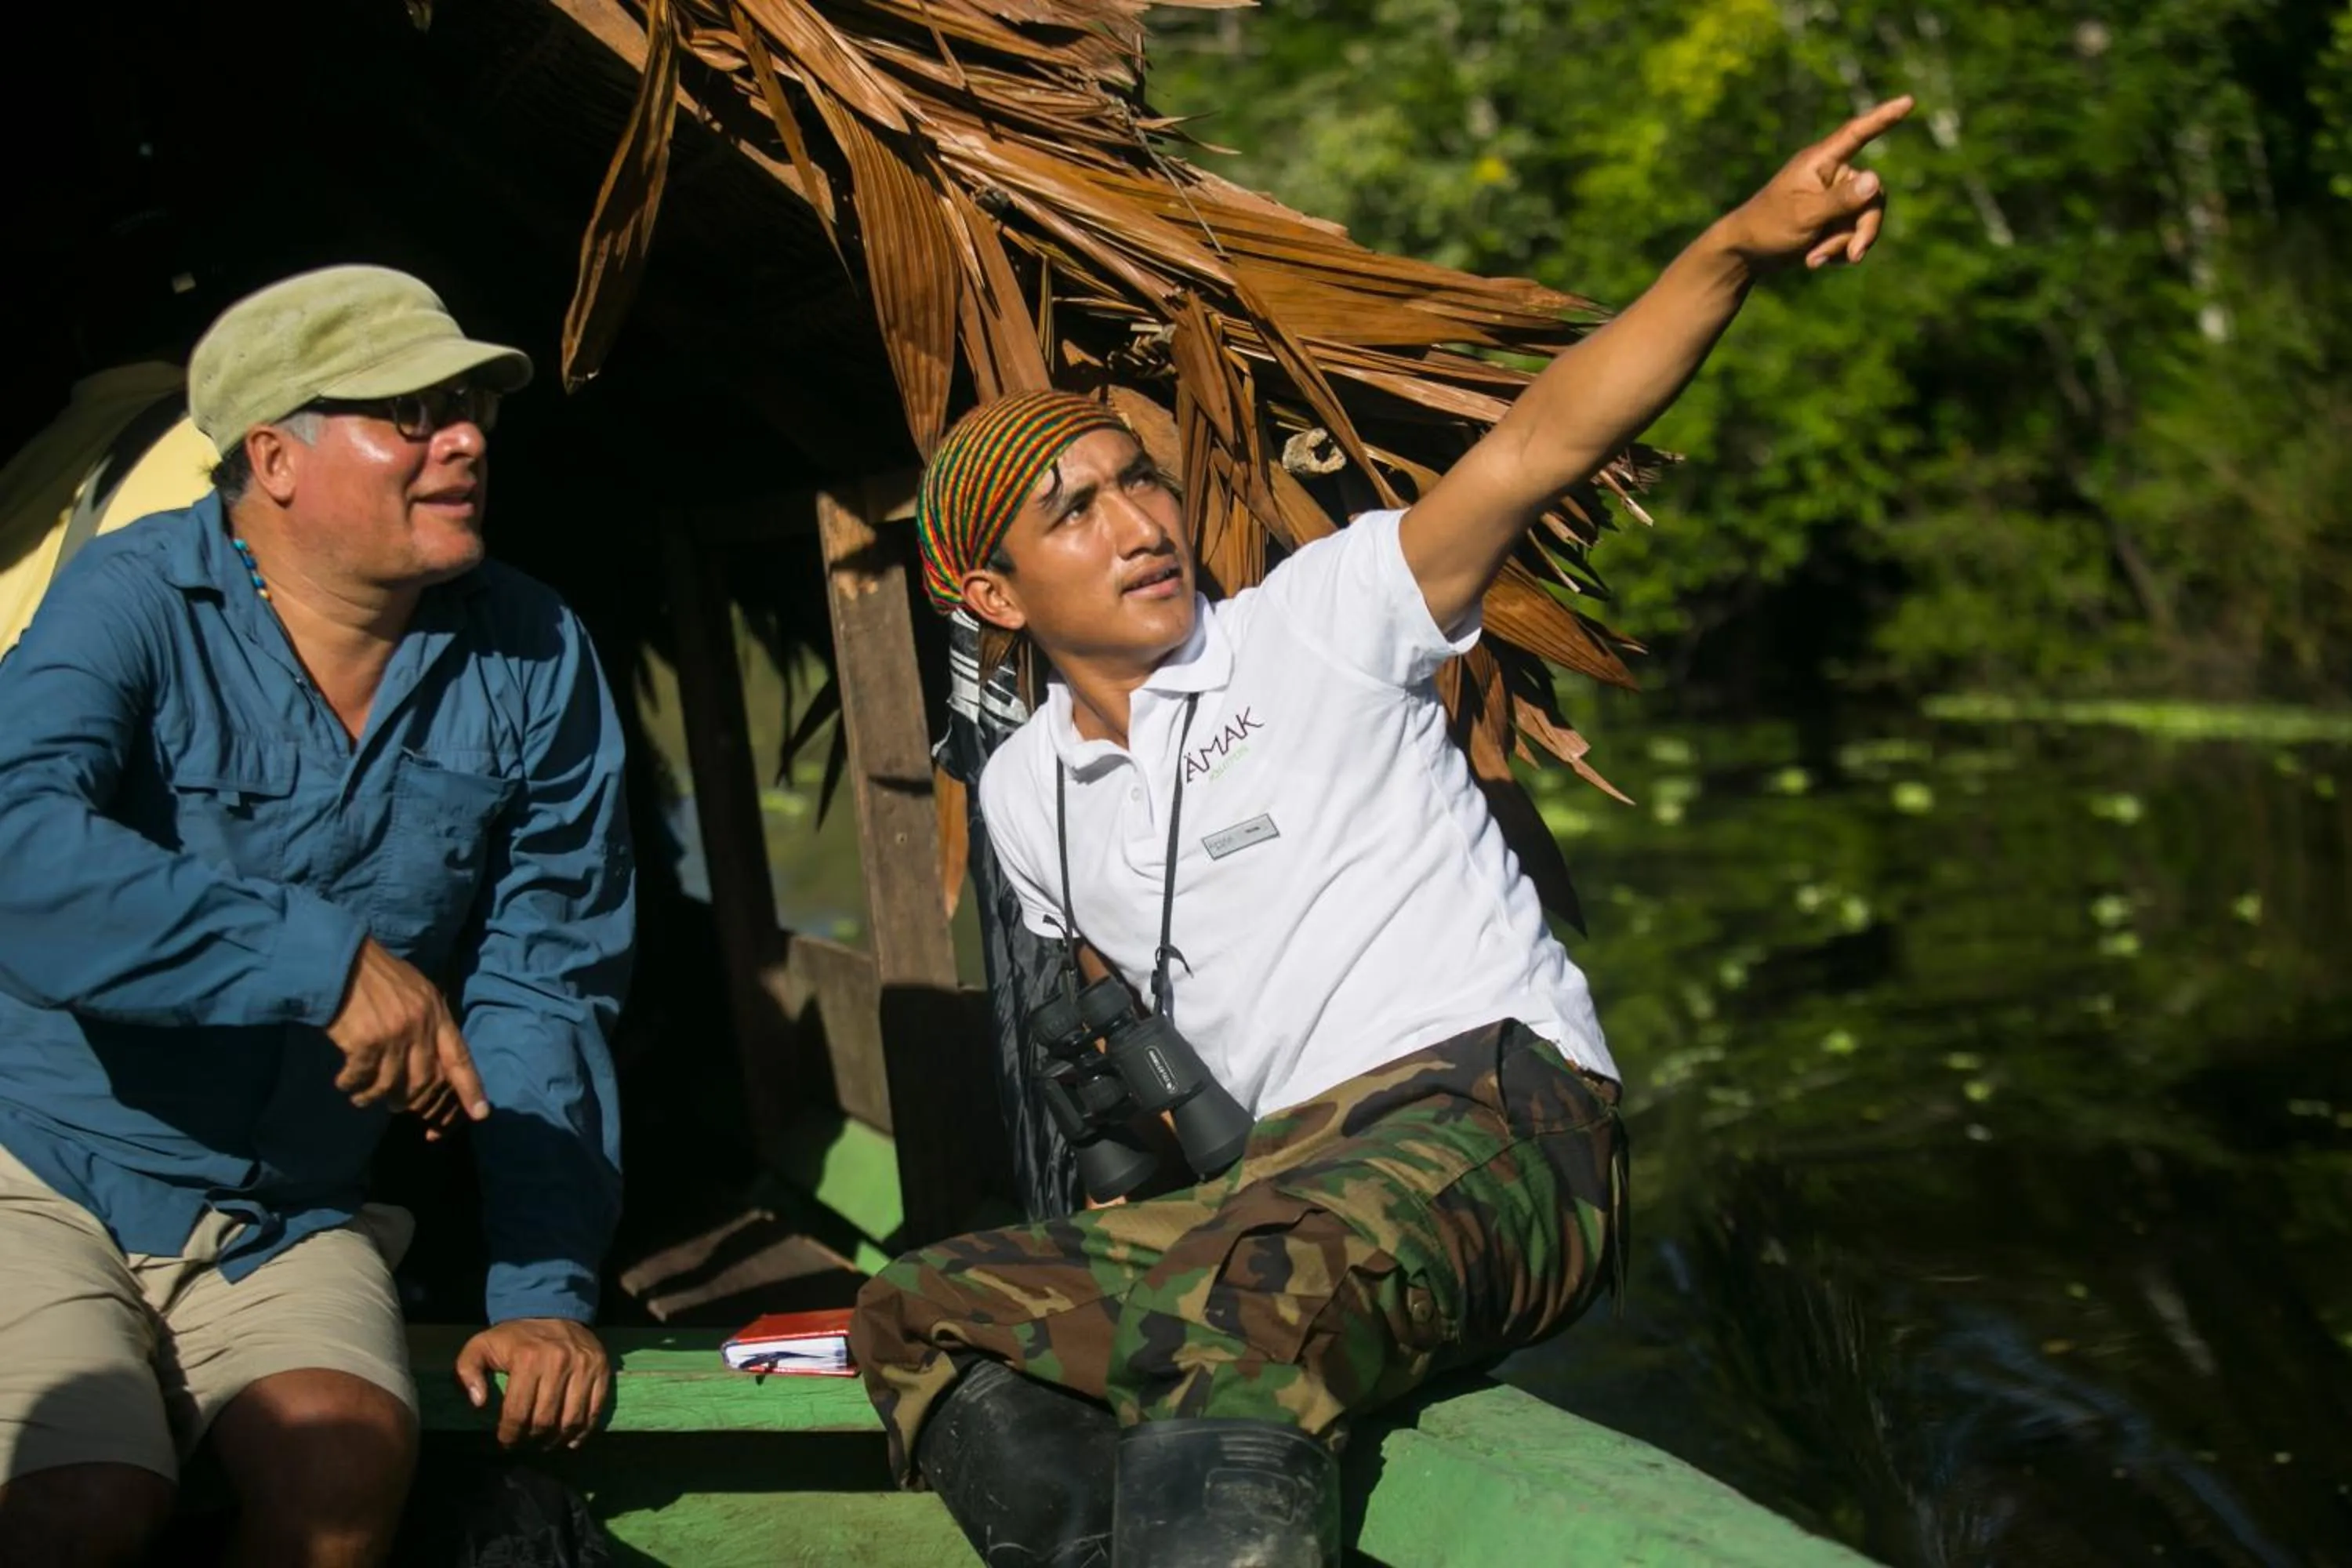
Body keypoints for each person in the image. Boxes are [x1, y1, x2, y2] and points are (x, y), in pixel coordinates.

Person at [850, 100, 1914, 1565]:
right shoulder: (1027, 794)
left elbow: (1542, 439)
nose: (1139, 520)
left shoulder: (1324, 619)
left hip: (1499, 1120)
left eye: (1137, 479)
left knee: (1238, 1321)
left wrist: (1735, 245)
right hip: (1284, 1190)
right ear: (994, 597)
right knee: (917, 1312)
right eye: (1072, 511)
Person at [0, 264, 635, 1567]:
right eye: (409, 412)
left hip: (286, 1207)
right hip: (34, 1170)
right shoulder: (129, 600)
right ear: (276, 458)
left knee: (342, 1471)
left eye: (469, 410)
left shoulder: (532, 649)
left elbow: (546, 978)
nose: (460, 438)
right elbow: (16, 847)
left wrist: (538, 1291)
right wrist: (318, 958)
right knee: (82, 1496)